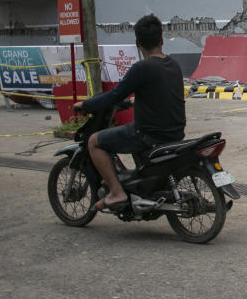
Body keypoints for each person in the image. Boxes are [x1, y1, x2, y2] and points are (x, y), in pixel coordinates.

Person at [73, 14, 186, 212]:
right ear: (161, 40)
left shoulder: (141, 68)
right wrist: (133, 101)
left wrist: (86, 104)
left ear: (137, 44)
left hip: (147, 135)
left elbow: (113, 96)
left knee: (94, 141)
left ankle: (116, 192)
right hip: (175, 133)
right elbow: (159, 93)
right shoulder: (174, 65)